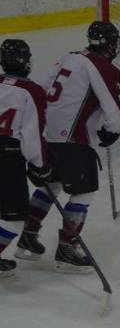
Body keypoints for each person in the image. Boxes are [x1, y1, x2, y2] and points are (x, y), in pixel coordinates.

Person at [14, 21, 120, 273]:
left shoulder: (68, 57)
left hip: (44, 135)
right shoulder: (106, 68)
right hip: (71, 140)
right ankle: (67, 248)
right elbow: (115, 113)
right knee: (84, 191)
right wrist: (112, 131)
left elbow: (40, 90)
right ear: (109, 44)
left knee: (52, 183)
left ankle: (28, 236)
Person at [0, 39, 50, 278]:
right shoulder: (32, 91)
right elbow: (33, 135)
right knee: (15, 218)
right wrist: (39, 166)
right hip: (7, 157)